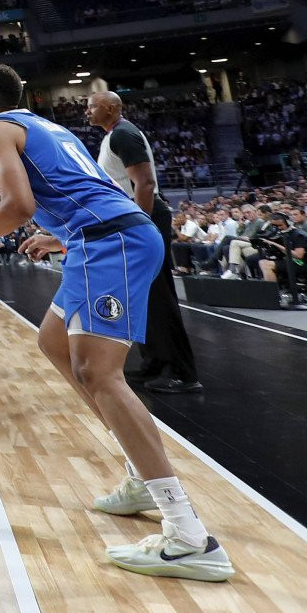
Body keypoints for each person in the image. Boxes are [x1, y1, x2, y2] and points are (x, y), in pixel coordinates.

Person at [0, 63, 231, 581]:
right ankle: (141, 476)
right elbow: (87, 192)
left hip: (111, 241)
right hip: (101, 234)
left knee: (100, 374)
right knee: (53, 342)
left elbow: (18, 204)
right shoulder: (47, 128)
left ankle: (189, 535)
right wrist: (63, 236)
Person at [87, 87, 200, 394]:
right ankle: (155, 361)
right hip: (135, 220)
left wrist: (141, 226)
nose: (87, 111)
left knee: (159, 296)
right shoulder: (114, 135)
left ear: (111, 108)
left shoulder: (124, 134)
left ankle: (182, 372)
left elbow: (146, 183)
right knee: (143, 296)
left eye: (92, 106)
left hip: (145, 219)